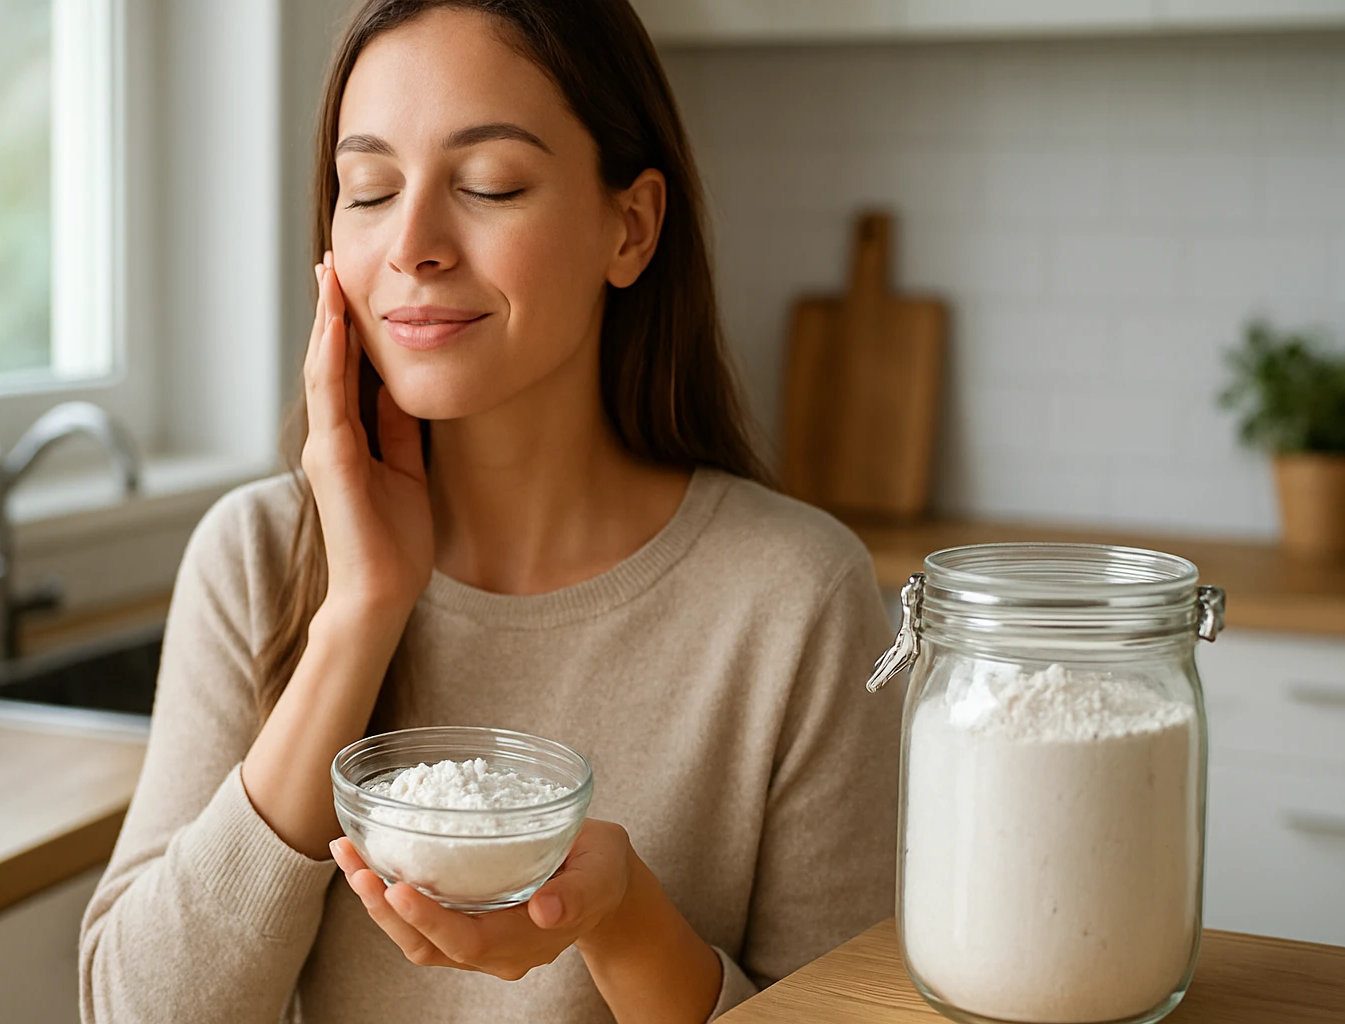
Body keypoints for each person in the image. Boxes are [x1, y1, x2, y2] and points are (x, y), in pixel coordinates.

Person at [78, 1, 902, 1021]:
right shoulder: (254, 555)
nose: (413, 245)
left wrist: (622, 916)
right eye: (369, 189)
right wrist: (360, 614)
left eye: (488, 184)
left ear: (631, 227)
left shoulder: (794, 597)